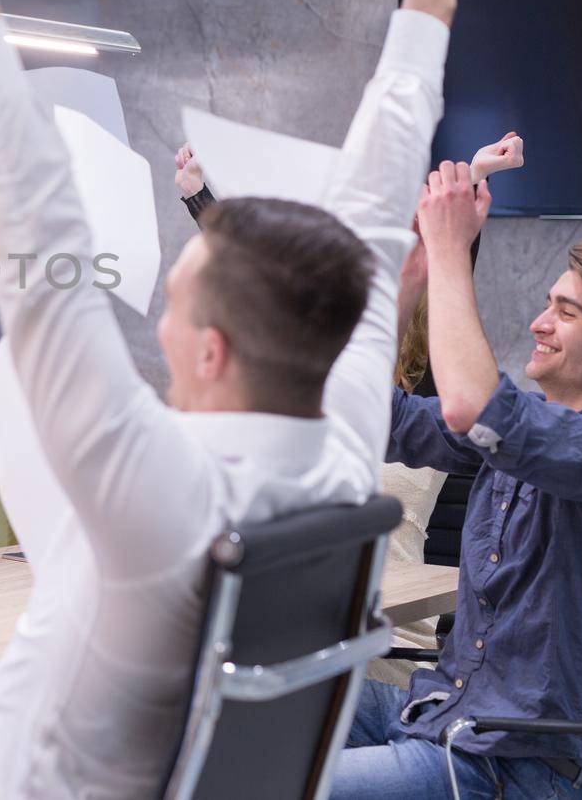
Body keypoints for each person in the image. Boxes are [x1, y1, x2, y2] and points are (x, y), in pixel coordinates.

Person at [0, 0, 526, 797]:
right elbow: (367, 219)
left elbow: (39, 241)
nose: (158, 314)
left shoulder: (155, 491)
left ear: (212, 350)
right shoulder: (338, 443)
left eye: (176, 299)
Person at [331, 166, 582, 797]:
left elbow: (475, 406)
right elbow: (363, 409)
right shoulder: (526, 433)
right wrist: (414, 268)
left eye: (566, 312)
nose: (539, 324)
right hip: (439, 723)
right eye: (548, 303)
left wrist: (449, 249)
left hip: (513, 769)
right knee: (244, 705)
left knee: (263, 776)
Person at [174, 131, 525, 684]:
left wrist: (474, 179)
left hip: (386, 639)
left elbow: (449, 259)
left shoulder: (421, 394)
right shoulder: (324, 376)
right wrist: (198, 195)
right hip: (304, 629)